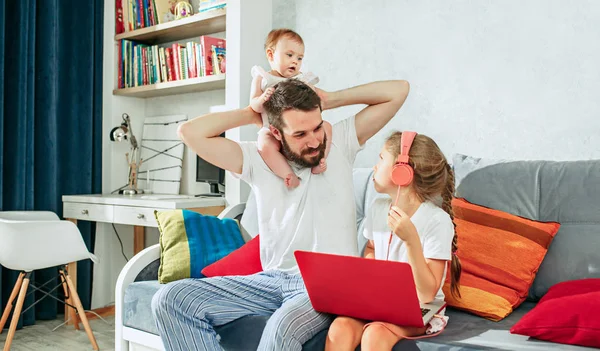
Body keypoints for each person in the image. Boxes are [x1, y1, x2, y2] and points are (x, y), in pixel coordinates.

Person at [151, 77, 410, 351]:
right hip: (270, 281)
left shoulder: (340, 144)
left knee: (280, 328)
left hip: (326, 286)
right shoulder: (256, 159)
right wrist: (251, 113)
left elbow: (398, 91)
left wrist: (331, 99)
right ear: (275, 133)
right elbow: (189, 132)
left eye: (317, 128)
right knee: (170, 299)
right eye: (300, 135)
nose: (313, 141)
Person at [325, 131, 462, 351]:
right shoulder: (378, 208)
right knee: (340, 327)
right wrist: (370, 272)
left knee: (375, 334)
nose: (374, 167)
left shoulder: (437, 221)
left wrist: (411, 241)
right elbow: (371, 248)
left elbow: (427, 293)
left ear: (402, 172)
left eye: (381, 159)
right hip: (379, 301)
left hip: (419, 308)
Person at [250, 28, 332, 189]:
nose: (295, 61)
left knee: (327, 127)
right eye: (289, 55)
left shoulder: (301, 78)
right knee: (264, 144)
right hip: (271, 129)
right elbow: (253, 105)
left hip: (298, 129)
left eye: (299, 58)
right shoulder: (263, 77)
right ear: (271, 55)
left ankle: (320, 159)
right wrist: (262, 99)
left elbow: (313, 98)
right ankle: (287, 173)